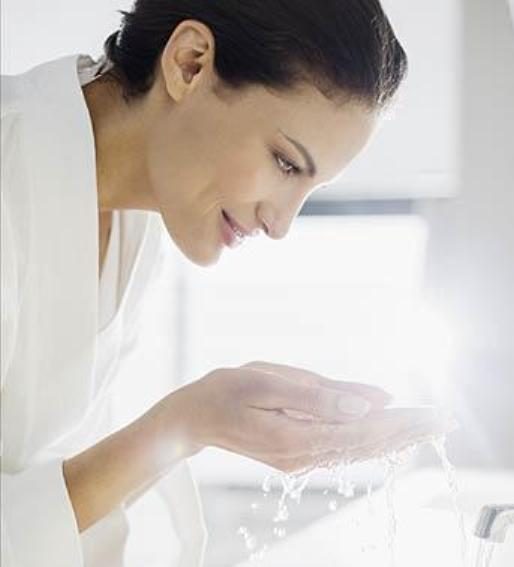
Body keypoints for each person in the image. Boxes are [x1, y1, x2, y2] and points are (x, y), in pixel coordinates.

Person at [0, 1, 456, 565]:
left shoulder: (138, 219)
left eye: (310, 189)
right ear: (189, 63)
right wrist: (189, 423)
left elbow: (48, 500)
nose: (280, 224)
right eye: (285, 163)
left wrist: (199, 423)